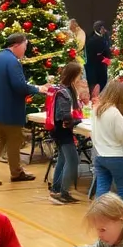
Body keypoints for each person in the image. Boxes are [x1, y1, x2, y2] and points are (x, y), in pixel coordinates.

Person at [0, 33, 49, 186]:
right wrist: (38, 89)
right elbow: (19, 86)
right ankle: (15, 172)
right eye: (25, 46)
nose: (25, 50)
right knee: (14, 141)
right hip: (10, 110)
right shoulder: (13, 61)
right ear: (17, 45)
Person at [89, 78, 123, 202]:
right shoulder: (115, 113)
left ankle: (99, 212)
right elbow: (121, 137)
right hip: (116, 156)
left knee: (102, 189)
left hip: (100, 155)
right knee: (122, 189)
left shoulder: (96, 110)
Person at [48, 62, 85, 203]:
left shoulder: (63, 90)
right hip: (62, 131)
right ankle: (63, 192)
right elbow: (64, 115)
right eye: (79, 75)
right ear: (74, 76)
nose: (80, 78)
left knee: (63, 159)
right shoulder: (64, 92)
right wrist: (76, 120)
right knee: (73, 160)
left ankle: (56, 189)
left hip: (58, 130)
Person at [84, 20, 112, 96]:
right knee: (97, 89)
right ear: (101, 28)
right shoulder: (93, 40)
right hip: (95, 69)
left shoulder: (102, 37)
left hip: (100, 67)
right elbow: (94, 55)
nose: (105, 31)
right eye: (104, 28)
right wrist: (105, 59)